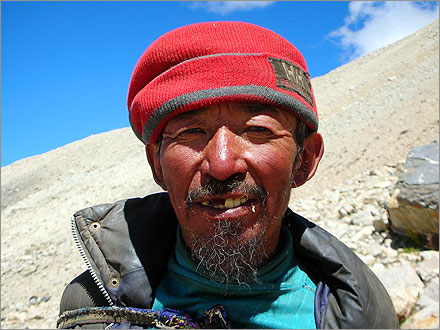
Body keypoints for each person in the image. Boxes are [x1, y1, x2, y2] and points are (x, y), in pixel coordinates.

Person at [58, 21, 399, 329]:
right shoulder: (92, 307)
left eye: (257, 130)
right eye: (190, 131)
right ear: (157, 165)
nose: (221, 164)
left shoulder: (361, 315)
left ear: (304, 160)